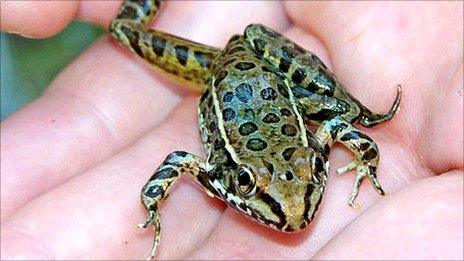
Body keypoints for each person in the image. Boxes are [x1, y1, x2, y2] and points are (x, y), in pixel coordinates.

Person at [1, 1, 462, 259]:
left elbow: (340, 127)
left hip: (268, 73)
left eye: (310, 175)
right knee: (126, 31)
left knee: (341, 107)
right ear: (235, 177)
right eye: (253, 188)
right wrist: (151, 205)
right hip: (215, 71)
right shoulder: (221, 174)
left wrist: (368, 157)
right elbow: (180, 163)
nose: (296, 215)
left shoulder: (308, 152)